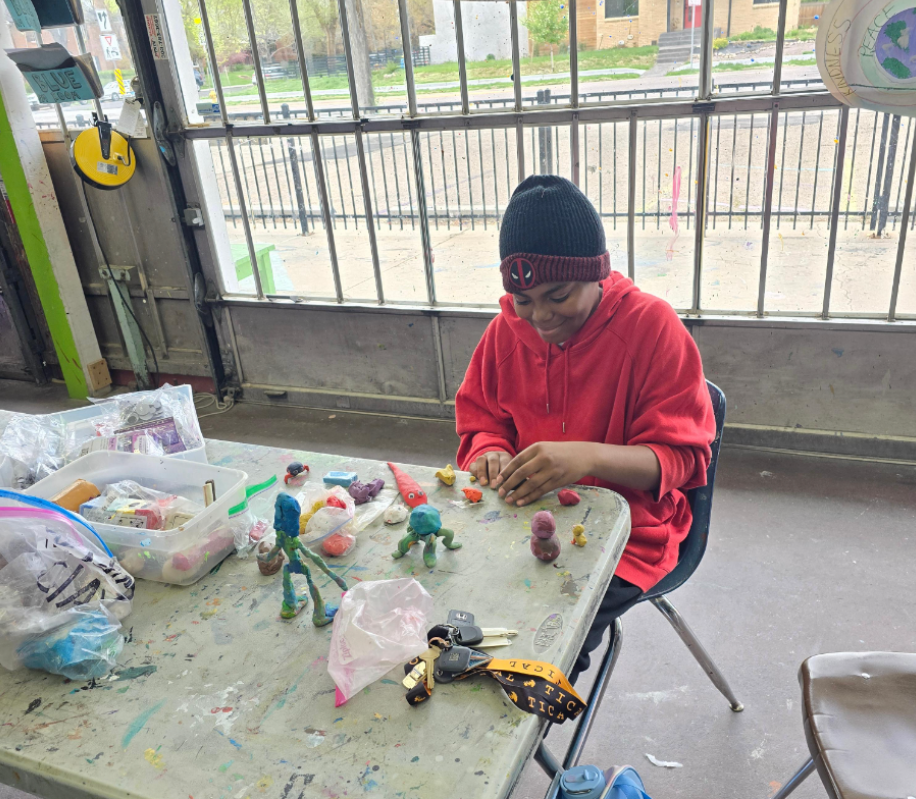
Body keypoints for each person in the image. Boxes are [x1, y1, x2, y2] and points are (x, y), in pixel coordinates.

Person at [455, 174, 716, 680]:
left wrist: (587, 457)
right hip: (520, 516)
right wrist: (488, 448)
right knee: (457, 614)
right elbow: (481, 421)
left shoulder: (652, 328)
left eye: (558, 295)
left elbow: (684, 461)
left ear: (598, 274)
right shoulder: (507, 329)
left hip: (627, 533)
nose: (541, 317)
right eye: (523, 299)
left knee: (540, 650)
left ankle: (527, 733)